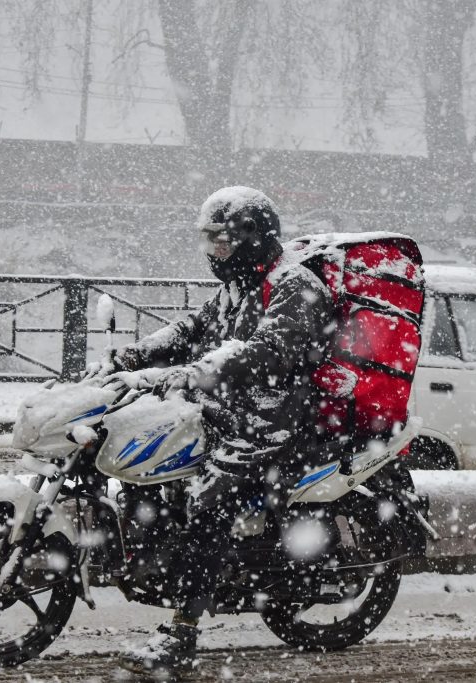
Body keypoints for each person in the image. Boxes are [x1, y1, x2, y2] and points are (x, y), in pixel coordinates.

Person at [100, 186, 335, 675]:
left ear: (251, 238)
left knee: (209, 500)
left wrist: (199, 371)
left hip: (273, 423)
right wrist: (134, 355)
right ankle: (166, 563)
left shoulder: (295, 285)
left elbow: (271, 351)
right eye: (209, 243)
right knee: (155, 467)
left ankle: (182, 634)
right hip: (226, 414)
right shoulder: (239, 285)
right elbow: (193, 327)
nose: (214, 253)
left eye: (221, 242)